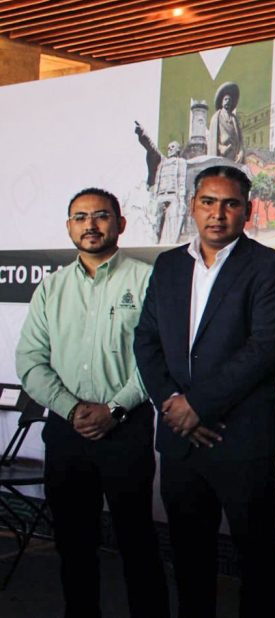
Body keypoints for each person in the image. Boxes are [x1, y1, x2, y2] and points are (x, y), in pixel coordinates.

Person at [134, 165, 275, 618]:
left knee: (256, 562)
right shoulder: (168, 265)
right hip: (180, 441)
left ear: (247, 211)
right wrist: (172, 405)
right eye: (208, 202)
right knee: (188, 560)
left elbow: (263, 348)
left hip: (241, 441)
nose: (217, 214)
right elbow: (146, 341)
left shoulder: (269, 266)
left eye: (230, 204)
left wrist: (198, 406)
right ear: (192, 206)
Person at [15, 188, 169, 618]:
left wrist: (115, 409)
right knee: (73, 544)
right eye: (80, 217)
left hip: (126, 428)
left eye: (101, 216)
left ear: (121, 223)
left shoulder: (147, 280)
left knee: (136, 541)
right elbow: (30, 360)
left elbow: (157, 358)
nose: (90, 225)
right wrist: (70, 408)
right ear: (69, 227)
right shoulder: (52, 287)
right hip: (66, 432)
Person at [207, 82, 244, 163]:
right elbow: (212, 140)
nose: (228, 101)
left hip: (234, 156)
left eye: (229, 100)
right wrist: (221, 148)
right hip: (222, 155)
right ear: (222, 102)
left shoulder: (234, 119)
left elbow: (240, 140)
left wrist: (241, 152)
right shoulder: (216, 117)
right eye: (226, 99)